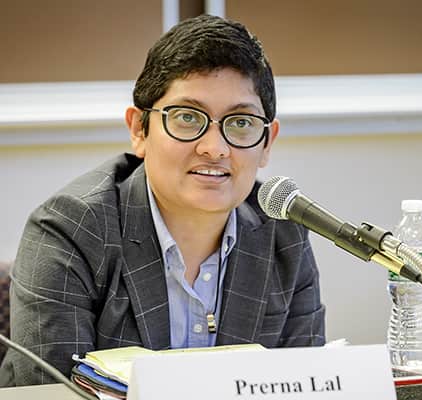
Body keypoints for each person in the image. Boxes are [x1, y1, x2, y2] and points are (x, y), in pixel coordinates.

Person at [0, 14, 325, 386]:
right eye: (187, 117)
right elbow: (52, 393)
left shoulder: (284, 234)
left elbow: (307, 384)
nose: (215, 148)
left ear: (267, 143)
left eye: (240, 123)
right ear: (139, 130)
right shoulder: (70, 230)